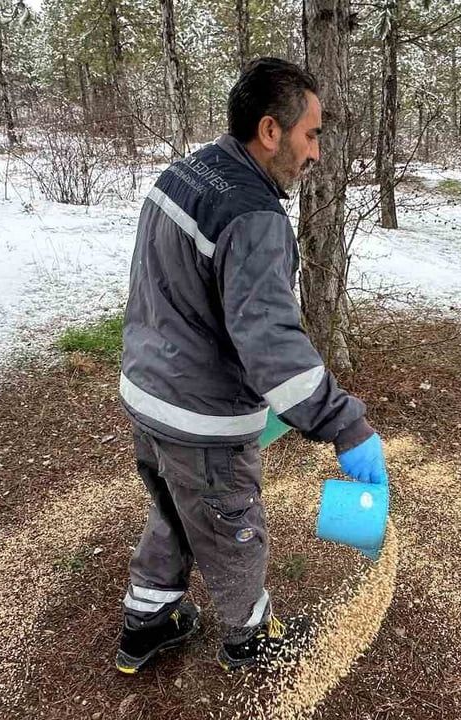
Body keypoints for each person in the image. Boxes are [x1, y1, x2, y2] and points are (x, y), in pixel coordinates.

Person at [114, 56, 389, 674]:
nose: (315, 153)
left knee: (175, 509)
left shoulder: (184, 174)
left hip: (148, 393)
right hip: (200, 416)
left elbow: (178, 292)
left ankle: (147, 621)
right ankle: (249, 639)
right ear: (272, 131)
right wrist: (345, 424)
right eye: (311, 135)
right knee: (233, 524)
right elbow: (271, 343)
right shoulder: (255, 217)